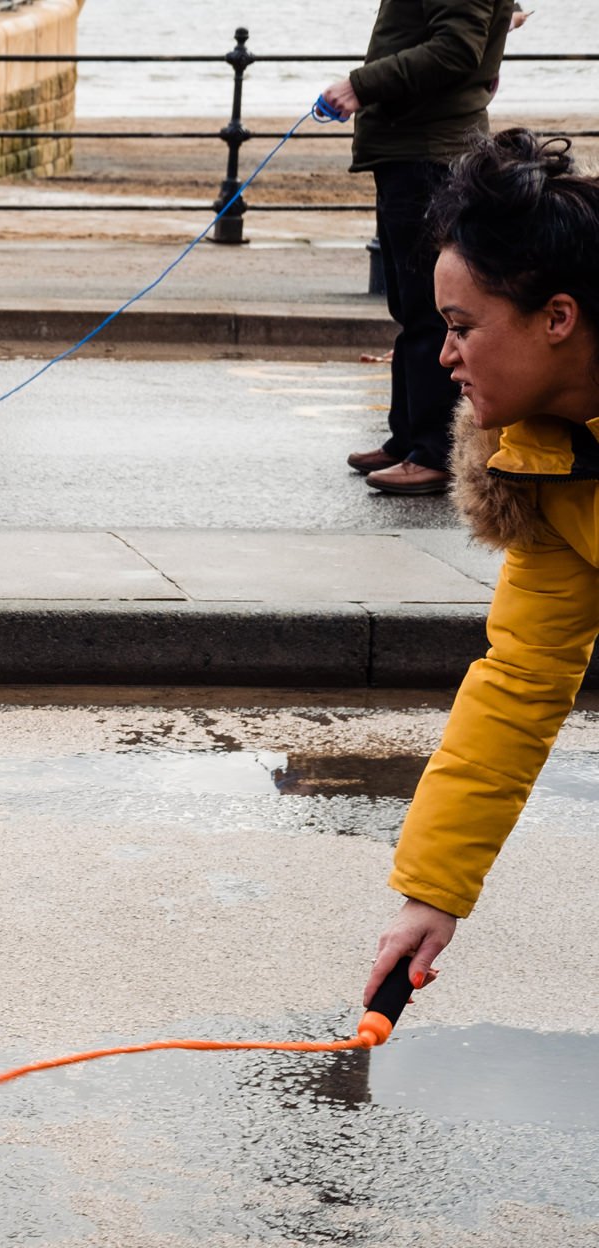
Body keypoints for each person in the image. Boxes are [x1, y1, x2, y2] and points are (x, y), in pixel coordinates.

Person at [367, 131, 599, 1003]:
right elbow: (522, 677)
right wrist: (432, 893)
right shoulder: (542, 462)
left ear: (558, 317)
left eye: (463, 327)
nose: (444, 354)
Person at [322, 0, 516, 497]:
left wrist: (358, 86)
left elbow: (456, 49)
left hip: (429, 153)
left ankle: (432, 451)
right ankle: (408, 438)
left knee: (433, 311)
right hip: (413, 148)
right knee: (410, 306)